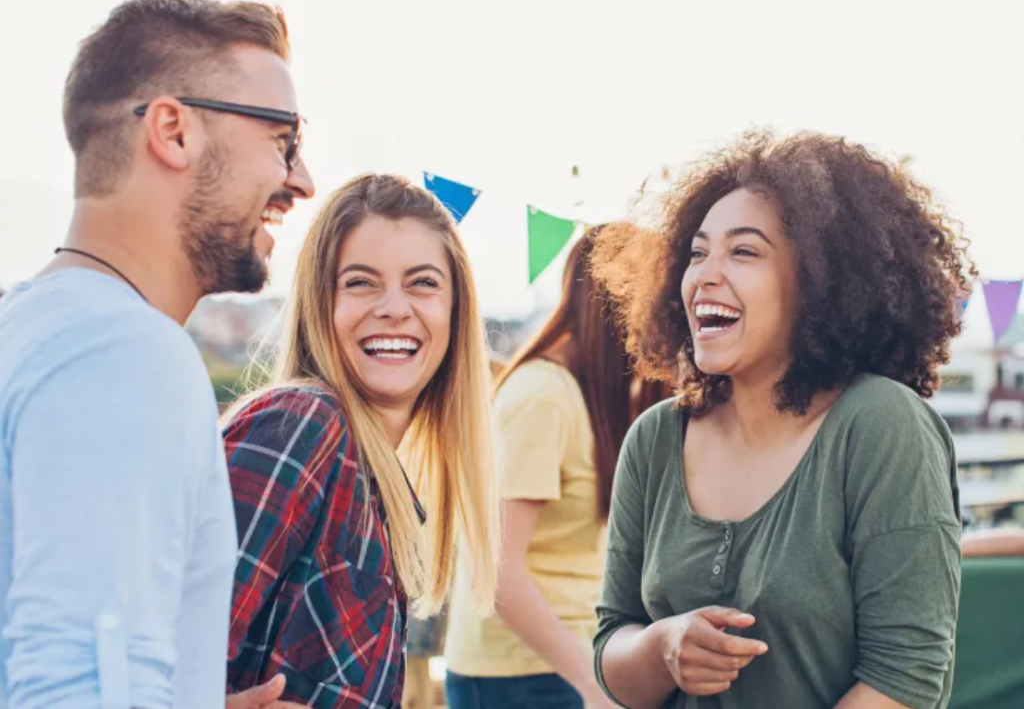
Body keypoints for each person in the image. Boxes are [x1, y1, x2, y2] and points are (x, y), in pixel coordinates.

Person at [0, 0, 316, 709]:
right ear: (173, 131)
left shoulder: (36, 327)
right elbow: (81, 688)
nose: (301, 180)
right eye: (282, 139)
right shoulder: (122, 352)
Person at [588, 131, 971, 709]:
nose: (704, 277)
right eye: (697, 252)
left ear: (821, 284)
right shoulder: (656, 437)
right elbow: (613, 648)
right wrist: (661, 646)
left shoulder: (882, 426)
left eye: (744, 252)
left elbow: (905, 681)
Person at [221, 173, 500, 708]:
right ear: (319, 305)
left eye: (422, 283)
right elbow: (151, 658)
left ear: (455, 312)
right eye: (361, 282)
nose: (395, 307)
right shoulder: (302, 424)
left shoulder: (379, 480)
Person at [444, 228, 671, 709]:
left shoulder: (592, 399)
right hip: (524, 676)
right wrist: (591, 684)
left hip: (571, 662)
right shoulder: (541, 397)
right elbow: (498, 574)